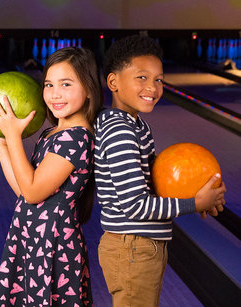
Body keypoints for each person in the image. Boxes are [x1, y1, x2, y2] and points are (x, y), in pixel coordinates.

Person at [94, 34, 227, 307]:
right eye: (142, 77)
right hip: (132, 247)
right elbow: (135, 205)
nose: (152, 87)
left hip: (140, 246)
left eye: (159, 79)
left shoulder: (135, 125)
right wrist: (194, 203)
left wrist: (204, 192)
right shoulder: (120, 131)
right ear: (113, 82)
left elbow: (157, 179)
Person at [0, 47, 103, 306]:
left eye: (66, 84)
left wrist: (15, 137)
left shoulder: (76, 138)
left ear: (89, 90)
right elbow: (23, 192)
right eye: (49, 84)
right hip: (32, 238)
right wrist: (4, 143)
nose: (55, 93)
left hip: (53, 246)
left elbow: (31, 191)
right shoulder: (51, 133)